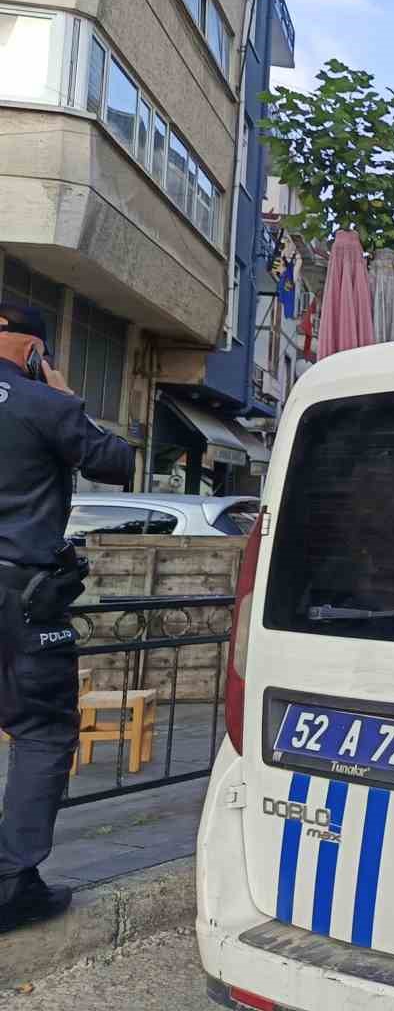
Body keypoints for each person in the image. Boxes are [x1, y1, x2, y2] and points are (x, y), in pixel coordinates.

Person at [0, 304, 136, 933]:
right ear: (34, 351)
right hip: (20, 596)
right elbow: (116, 461)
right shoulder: (43, 404)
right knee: (43, 730)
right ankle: (11, 885)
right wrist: (66, 397)